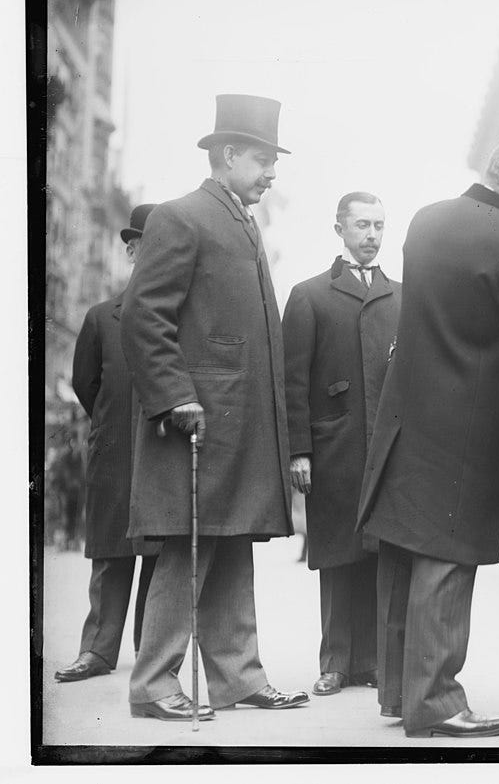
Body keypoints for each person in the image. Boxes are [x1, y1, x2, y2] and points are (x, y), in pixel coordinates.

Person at [357, 134, 499, 738]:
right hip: (466, 431)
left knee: (404, 554)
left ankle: (399, 694)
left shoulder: (426, 222)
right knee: (447, 562)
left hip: (409, 419)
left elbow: (468, 293)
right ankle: (438, 705)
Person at [121, 94, 308, 721]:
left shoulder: (237, 219)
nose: (272, 172)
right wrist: (175, 395)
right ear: (227, 156)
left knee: (230, 543)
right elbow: (146, 316)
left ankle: (239, 677)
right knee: (188, 547)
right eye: (262, 159)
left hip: (237, 419)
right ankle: (153, 685)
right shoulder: (182, 217)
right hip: (198, 419)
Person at [282, 192, 400, 700]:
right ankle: (335, 662)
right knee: (335, 554)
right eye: (361, 226)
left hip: (387, 449)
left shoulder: (403, 297)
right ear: (339, 230)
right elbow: (291, 381)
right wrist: (298, 450)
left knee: (379, 553)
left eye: (379, 225)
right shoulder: (310, 295)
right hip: (334, 448)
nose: (371, 235)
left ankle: (370, 661)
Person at [55, 205, 161, 683]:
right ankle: (97, 651)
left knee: (162, 557)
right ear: (131, 251)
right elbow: (85, 385)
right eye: (145, 246)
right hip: (115, 453)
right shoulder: (101, 318)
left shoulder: (181, 320)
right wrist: (117, 423)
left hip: (163, 458)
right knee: (111, 556)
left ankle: (156, 654)